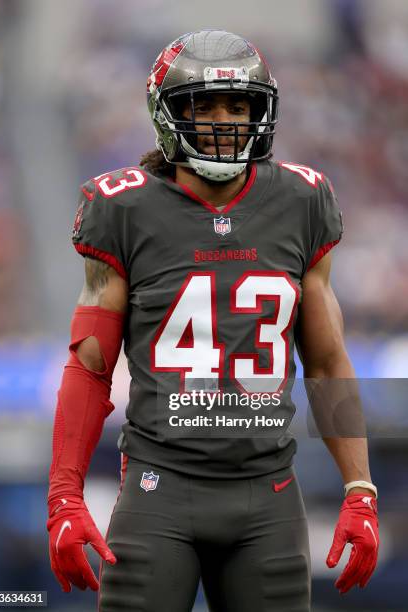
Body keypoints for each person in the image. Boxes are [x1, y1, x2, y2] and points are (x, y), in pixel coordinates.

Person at [47, 30, 379, 612]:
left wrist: (360, 489)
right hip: (159, 491)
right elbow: (90, 367)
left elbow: (327, 362)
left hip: (269, 496)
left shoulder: (302, 201)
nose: (224, 120)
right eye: (205, 105)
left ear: (262, 111)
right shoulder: (123, 207)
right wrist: (63, 498)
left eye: (239, 104)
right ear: (168, 112)